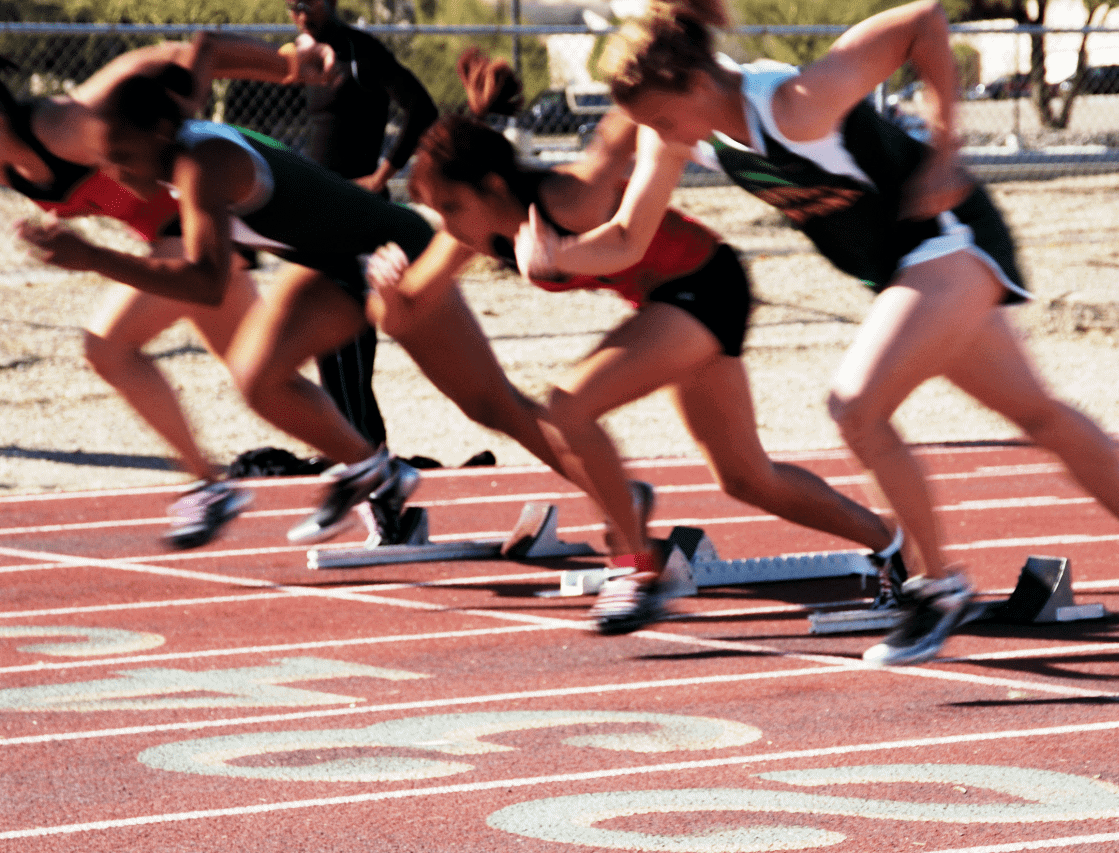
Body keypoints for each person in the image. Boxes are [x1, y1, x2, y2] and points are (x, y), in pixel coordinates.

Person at [515, 0, 1119, 662]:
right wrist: (558, 256)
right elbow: (628, 238)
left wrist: (945, 151)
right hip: (905, 270)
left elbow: (924, 19)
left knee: (856, 405)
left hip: (948, 238)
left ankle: (937, 587)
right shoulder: (684, 135)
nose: (661, 136)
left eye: (665, 119)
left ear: (698, 83)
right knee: (1036, 414)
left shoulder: (796, 104)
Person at [368, 49, 904, 635]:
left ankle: (636, 568)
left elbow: (623, 122)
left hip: (706, 284)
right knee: (747, 478)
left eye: (449, 207)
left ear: (492, 186)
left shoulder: (571, 197)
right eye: (435, 211)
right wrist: (388, 291)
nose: (444, 224)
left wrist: (663, 58)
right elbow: (404, 312)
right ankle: (896, 547)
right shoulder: (474, 232)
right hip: (670, 303)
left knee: (568, 403)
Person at [15, 63, 577, 548]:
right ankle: (373, 471)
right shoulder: (181, 157)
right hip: (332, 264)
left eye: (121, 157)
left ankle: (612, 491)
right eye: (104, 161)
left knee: (490, 404)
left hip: (393, 251)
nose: (114, 173)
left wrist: (93, 258)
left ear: (159, 131)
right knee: (256, 375)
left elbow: (207, 282)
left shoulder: (202, 163)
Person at [0, 32, 330, 548]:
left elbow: (177, 55)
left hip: (201, 231)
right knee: (263, 380)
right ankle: (374, 472)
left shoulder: (67, 123)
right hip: (184, 248)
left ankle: (208, 484)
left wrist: (289, 64)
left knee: (106, 345)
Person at [284, 0, 440, 456]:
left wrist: (380, 176)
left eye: (309, 4)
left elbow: (421, 108)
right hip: (317, 208)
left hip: (356, 210)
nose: (301, 13)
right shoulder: (303, 54)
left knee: (346, 328)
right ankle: (351, 442)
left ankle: (364, 445)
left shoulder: (361, 53)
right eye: (293, 5)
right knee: (322, 331)